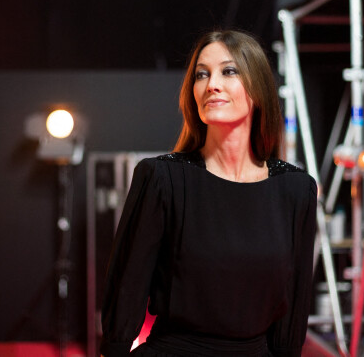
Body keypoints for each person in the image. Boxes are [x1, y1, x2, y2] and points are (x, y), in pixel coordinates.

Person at [100, 29, 317, 357]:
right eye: (202, 74)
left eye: (228, 71)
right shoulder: (162, 178)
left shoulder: (296, 189)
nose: (211, 84)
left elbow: (295, 305)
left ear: (257, 89)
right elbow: (126, 288)